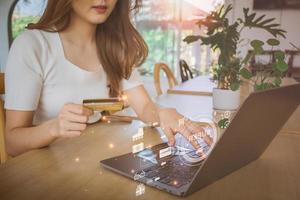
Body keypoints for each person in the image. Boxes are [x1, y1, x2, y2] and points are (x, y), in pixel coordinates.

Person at [5, 0, 212, 157]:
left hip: (97, 156)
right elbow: (12, 142)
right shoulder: (32, 45)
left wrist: (162, 113)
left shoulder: (116, 47)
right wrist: (54, 128)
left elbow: (144, 108)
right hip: (48, 165)